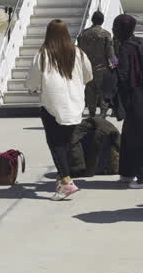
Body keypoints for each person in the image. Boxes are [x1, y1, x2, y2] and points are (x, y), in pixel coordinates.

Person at [36, 19, 93, 200]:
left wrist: (33, 87)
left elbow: (33, 77)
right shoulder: (78, 52)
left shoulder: (44, 54)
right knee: (66, 143)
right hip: (74, 104)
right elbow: (88, 75)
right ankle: (62, 180)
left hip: (52, 105)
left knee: (56, 145)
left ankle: (67, 182)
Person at [111, 14, 143, 188]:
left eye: (115, 27)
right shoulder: (140, 43)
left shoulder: (126, 48)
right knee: (128, 136)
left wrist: (111, 71)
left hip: (135, 97)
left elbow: (124, 75)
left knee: (139, 137)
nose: (113, 30)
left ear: (121, 30)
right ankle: (127, 172)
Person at [76, 11, 116, 118]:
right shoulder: (106, 35)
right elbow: (111, 53)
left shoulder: (83, 34)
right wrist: (115, 66)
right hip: (102, 69)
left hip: (87, 68)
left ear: (92, 20)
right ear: (102, 21)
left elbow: (79, 52)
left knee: (90, 91)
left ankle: (91, 113)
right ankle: (103, 114)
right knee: (103, 91)